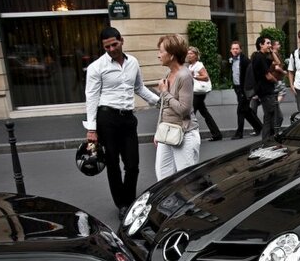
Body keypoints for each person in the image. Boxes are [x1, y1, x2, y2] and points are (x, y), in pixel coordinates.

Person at [84, 26, 159, 221]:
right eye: (106, 47)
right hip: (106, 119)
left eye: (114, 45)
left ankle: (129, 199)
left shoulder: (133, 62)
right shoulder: (96, 67)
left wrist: (160, 101)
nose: (111, 49)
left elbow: (139, 88)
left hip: (128, 119)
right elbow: (91, 97)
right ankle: (123, 204)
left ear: (121, 41)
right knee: (113, 164)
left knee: (132, 164)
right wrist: (91, 129)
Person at [155, 34, 200, 181]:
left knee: (187, 182)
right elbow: (164, 106)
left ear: (172, 55)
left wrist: (164, 93)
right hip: (167, 131)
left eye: (161, 51)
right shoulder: (168, 73)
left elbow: (184, 109)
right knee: (163, 178)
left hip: (184, 133)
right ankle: (169, 205)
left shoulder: (184, 76)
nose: (158, 55)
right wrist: (158, 129)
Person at [186, 46, 222, 141]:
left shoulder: (199, 65)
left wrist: (195, 76)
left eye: (191, 53)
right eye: (188, 53)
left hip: (199, 93)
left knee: (191, 113)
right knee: (205, 113)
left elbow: (206, 77)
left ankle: (189, 136)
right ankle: (217, 134)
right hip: (195, 92)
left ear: (196, 55)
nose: (189, 55)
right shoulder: (190, 66)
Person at [229, 41, 262, 139]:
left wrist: (252, 89)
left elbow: (251, 75)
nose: (235, 50)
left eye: (237, 48)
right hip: (237, 88)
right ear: (231, 50)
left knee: (240, 110)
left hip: (244, 89)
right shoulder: (231, 60)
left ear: (240, 49)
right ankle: (259, 127)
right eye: (233, 49)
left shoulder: (245, 61)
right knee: (246, 110)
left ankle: (239, 133)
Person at [251, 36, 277, 139]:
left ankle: (269, 139)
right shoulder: (259, 57)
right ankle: (266, 140)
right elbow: (268, 76)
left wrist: (272, 51)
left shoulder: (263, 56)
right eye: (268, 43)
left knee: (272, 116)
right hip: (265, 91)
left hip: (266, 91)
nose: (270, 45)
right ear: (261, 44)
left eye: (270, 43)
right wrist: (276, 81)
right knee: (269, 117)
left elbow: (277, 62)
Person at [271, 40, 287, 131]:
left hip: (278, 78)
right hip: (277, 78)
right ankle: (275, 105)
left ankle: (275, 104)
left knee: (281, 92)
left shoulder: (277, 54)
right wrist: (283, 72)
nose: (279, 45)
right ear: (274, 46)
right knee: (282, 92)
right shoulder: (274, 54)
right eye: (278, 44)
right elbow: (277, 67)